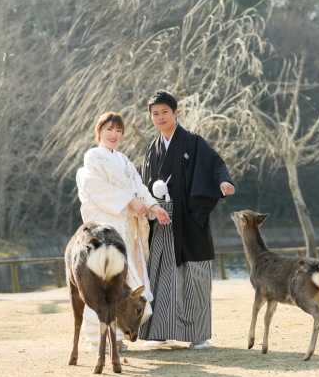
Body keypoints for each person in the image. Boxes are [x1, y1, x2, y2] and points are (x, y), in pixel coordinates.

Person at [139, 90, 235, 350]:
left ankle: (198, 334)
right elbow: (142, 183)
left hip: (189, 220)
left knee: (194, 276)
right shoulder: (151, 149)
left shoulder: (193, 142)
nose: (160, 118)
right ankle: (159, 331)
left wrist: (223, 181)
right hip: (160, 222)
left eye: (165, 112)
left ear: (176, 113)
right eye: (155, 114)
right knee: (162, 276)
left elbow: (215, 164)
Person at [75, 112, 171, 352]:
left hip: (125, 228)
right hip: (106, 228)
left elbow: (139, 186)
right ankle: (100, 337)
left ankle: (118, 333)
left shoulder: (124, 161)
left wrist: (154, 206)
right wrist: (129, 201)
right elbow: (95, 187)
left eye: (118, 131)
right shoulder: (93, 157)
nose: (114, 135)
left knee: (124, 284)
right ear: (99, 132)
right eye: (109, 129)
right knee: (103, 281)